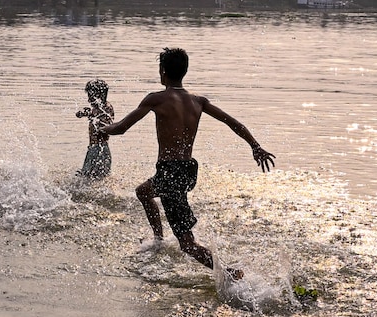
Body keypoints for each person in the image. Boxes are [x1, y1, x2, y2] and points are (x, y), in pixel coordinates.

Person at [100, 48, 276, 278]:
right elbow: (234, 123)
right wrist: (255, 146)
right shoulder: (198, 101)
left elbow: (121, 128)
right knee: (143, 192)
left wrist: (102, 128)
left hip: (170, 171)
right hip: (187, 169)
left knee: (187, 245)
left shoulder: (156, 98)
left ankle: (229, 273)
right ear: (185, 71)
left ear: (162, 72)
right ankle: (159, 240)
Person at [75, 79, 115, 180]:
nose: (89, 100)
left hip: (98, 150)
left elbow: (106, 125)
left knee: (85, 179)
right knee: (94, 179)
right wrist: (86, 113)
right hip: (98, 149)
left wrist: (92, 116)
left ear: (99, 96)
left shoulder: (106, 109)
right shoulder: (100, 109)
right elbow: (95, 115)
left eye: (90, 97)